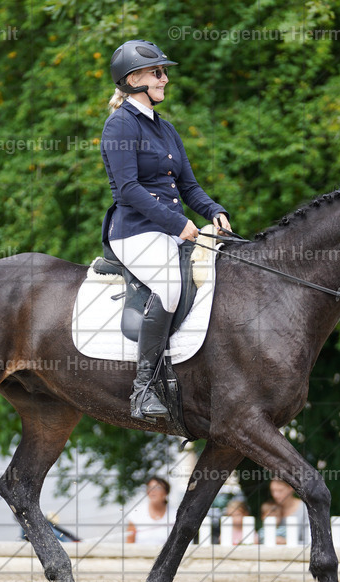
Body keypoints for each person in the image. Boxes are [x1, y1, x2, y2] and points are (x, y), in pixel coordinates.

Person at [101, 39, 232, 420]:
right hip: (135, 232)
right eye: (158, 72)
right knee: (170, 286)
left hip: (171, 229)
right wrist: (179, 223)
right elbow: (128, 189)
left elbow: (188, 186)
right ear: (134, 78)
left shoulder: (165, 128)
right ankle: (143, 389)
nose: (165, 79)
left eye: (163, 72)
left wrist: (214, 211)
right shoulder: (119, 124)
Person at [260, 478, 310, 545]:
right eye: (273, 491)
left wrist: (287, 542)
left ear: (291, 488)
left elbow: (309, 542)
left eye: (280, 490)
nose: (275, 495)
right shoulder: (271, 509)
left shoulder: (304, 510)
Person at [126, 476, 174, 544]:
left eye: (158, 488)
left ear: (166, 492)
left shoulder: (176, 515)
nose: (153, 491)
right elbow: (129, 542)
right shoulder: (136, 513)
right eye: (150, 488)